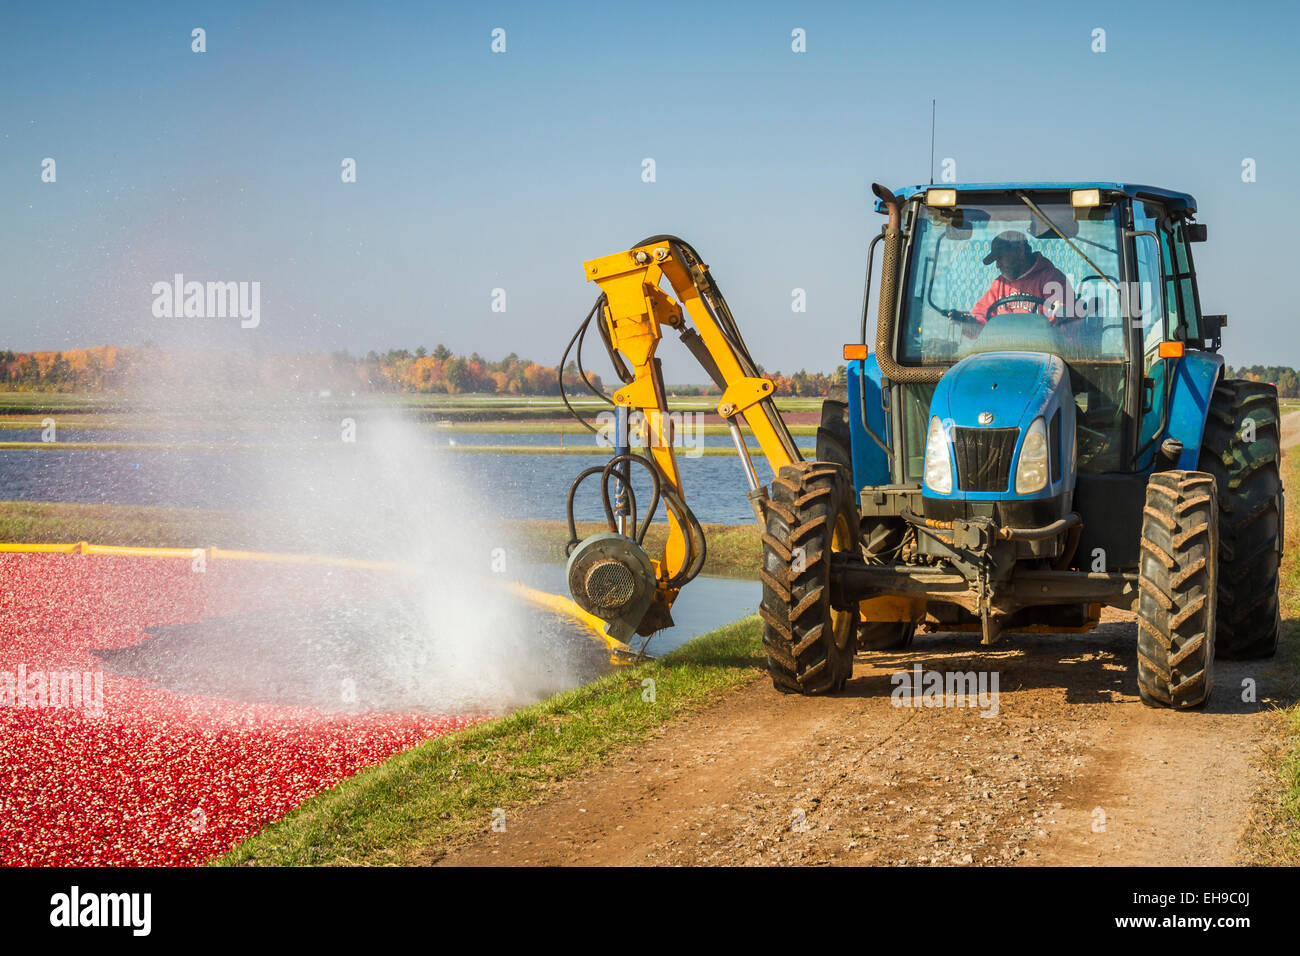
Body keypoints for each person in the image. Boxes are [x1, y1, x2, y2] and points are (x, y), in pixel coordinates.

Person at [952, 231, 1075, 338]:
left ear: (1020, 251)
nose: (997, 265)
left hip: (1044, 355)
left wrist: (1061, 311)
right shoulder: (999, 285)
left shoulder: (1051, 279)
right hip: (1006, 355)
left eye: (1000, 258)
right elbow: (981, 321)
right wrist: (967, 321)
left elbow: (1067, 320)